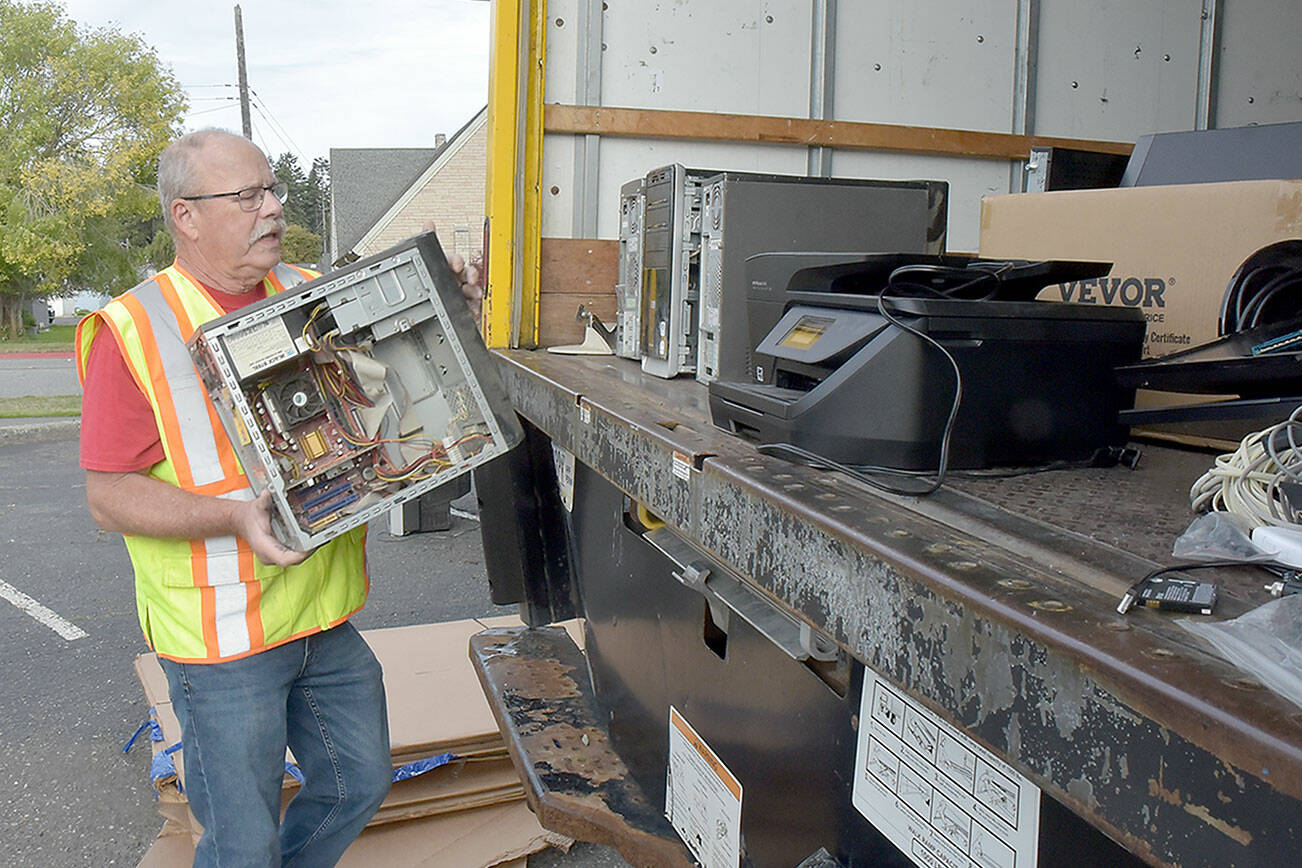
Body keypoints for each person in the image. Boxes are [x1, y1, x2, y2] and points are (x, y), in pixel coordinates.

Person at [77, 129, 480, 866]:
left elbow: (382, 385)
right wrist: (236, 516)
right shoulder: (133, 329)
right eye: (249, 196)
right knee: (241, 839)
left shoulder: (305, 291)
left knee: (359, 782)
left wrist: (444, 305)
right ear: (185, 216)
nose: (273, 209)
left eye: (273, 191)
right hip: (221, 641)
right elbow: (109, 498)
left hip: (319, 617)